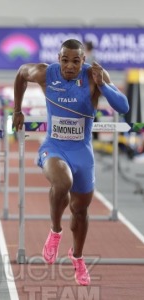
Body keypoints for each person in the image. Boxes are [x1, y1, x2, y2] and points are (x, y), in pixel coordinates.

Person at [12, 39, 129, 286]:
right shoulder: (46, 73)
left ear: (83, 61)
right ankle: (55, 232)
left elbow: (124, 106)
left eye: (75, 61)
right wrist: (17, 110)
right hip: (54, 147)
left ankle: (77, 257)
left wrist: (102, 86)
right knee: (62, 181)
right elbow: (22, 74)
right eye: (65, 60)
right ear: (59, 58)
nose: (69, 66)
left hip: (82, 152)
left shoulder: (94, 75)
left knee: (80, 211)